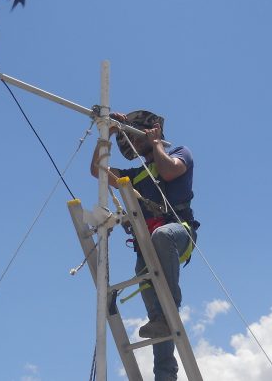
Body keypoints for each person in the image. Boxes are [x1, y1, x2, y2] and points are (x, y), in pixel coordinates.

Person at [90, 110, 198, 381]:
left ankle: (170, 306)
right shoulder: (135, 174)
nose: (136, 144)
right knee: (158, 324)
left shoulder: (180, 153)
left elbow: (170, 171)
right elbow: (98, 171)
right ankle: (165, 376)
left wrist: (158, 143)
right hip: (145, 249)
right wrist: (107, 134)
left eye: (138, 137)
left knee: (161, 237)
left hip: (177, 234)